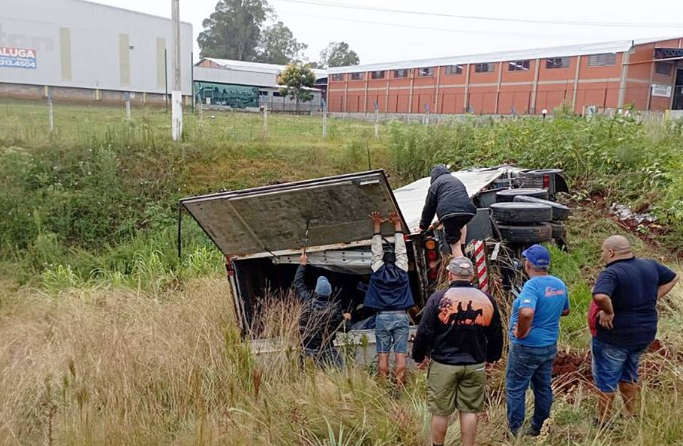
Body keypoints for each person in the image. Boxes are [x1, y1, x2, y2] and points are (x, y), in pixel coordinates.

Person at [412, 257, 503, 446]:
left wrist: (419, 356)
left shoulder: (438, 298)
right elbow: (495, 333)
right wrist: (492, 357)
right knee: (470, 410)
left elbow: (425, 331)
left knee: (440, 411)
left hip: (443, 365)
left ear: (450, 274)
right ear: (472, 275)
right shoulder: (486, 299)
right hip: (475, 364)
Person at [591, 235, 678, 423]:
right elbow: (673, 277)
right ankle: (629, 415)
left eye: (603, 251)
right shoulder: (650, 265)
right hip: (644, 334)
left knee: (606, 377)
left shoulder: (611, 272)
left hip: (615, 336)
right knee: (629, 372)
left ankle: (604, 421)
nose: (602, 255)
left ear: (611, 252)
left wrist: (609, 311)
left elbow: (600, 296)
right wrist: (654, 297)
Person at [506, 244, 569, 437]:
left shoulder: (532, 285)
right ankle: (539, 428)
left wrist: (522, 332)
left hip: (527, 347)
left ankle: (514, 431)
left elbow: (526, 312)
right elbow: (565, 310)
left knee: (515, 387)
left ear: (528, 264)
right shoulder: (558, 283)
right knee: (542, 387)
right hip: (548, 346)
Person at [363, 211, 415, 385]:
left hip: (382, 316)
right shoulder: (402, 270)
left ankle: (383, 386)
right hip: (401, 316)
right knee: (401, 356)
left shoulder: (378, 270)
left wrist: (377, 225)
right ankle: (400, 388)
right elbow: (401, 250)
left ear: (384, 261)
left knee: (382, 355)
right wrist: (397, 224)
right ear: (396, 261)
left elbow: (375, 252)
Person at [294, 251, 351, 368]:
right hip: (326, 350)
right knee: (341, 373)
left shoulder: (307, 302)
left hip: (306, 350)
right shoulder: (334, 309)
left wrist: (302, 264)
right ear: (330, 293)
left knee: (307, 377)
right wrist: (347, 318)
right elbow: (346, 329)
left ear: (315, 291)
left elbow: (298, 283)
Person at [419, 165, 477, 258]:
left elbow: (429, 209)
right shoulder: (455, 180)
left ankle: (461, 269)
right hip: (469, 211)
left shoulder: (435, 185)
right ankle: (462, 248)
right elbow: (454, 200)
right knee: (460, 223)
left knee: (455, 245)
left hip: (450, 214)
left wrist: (423, 226)